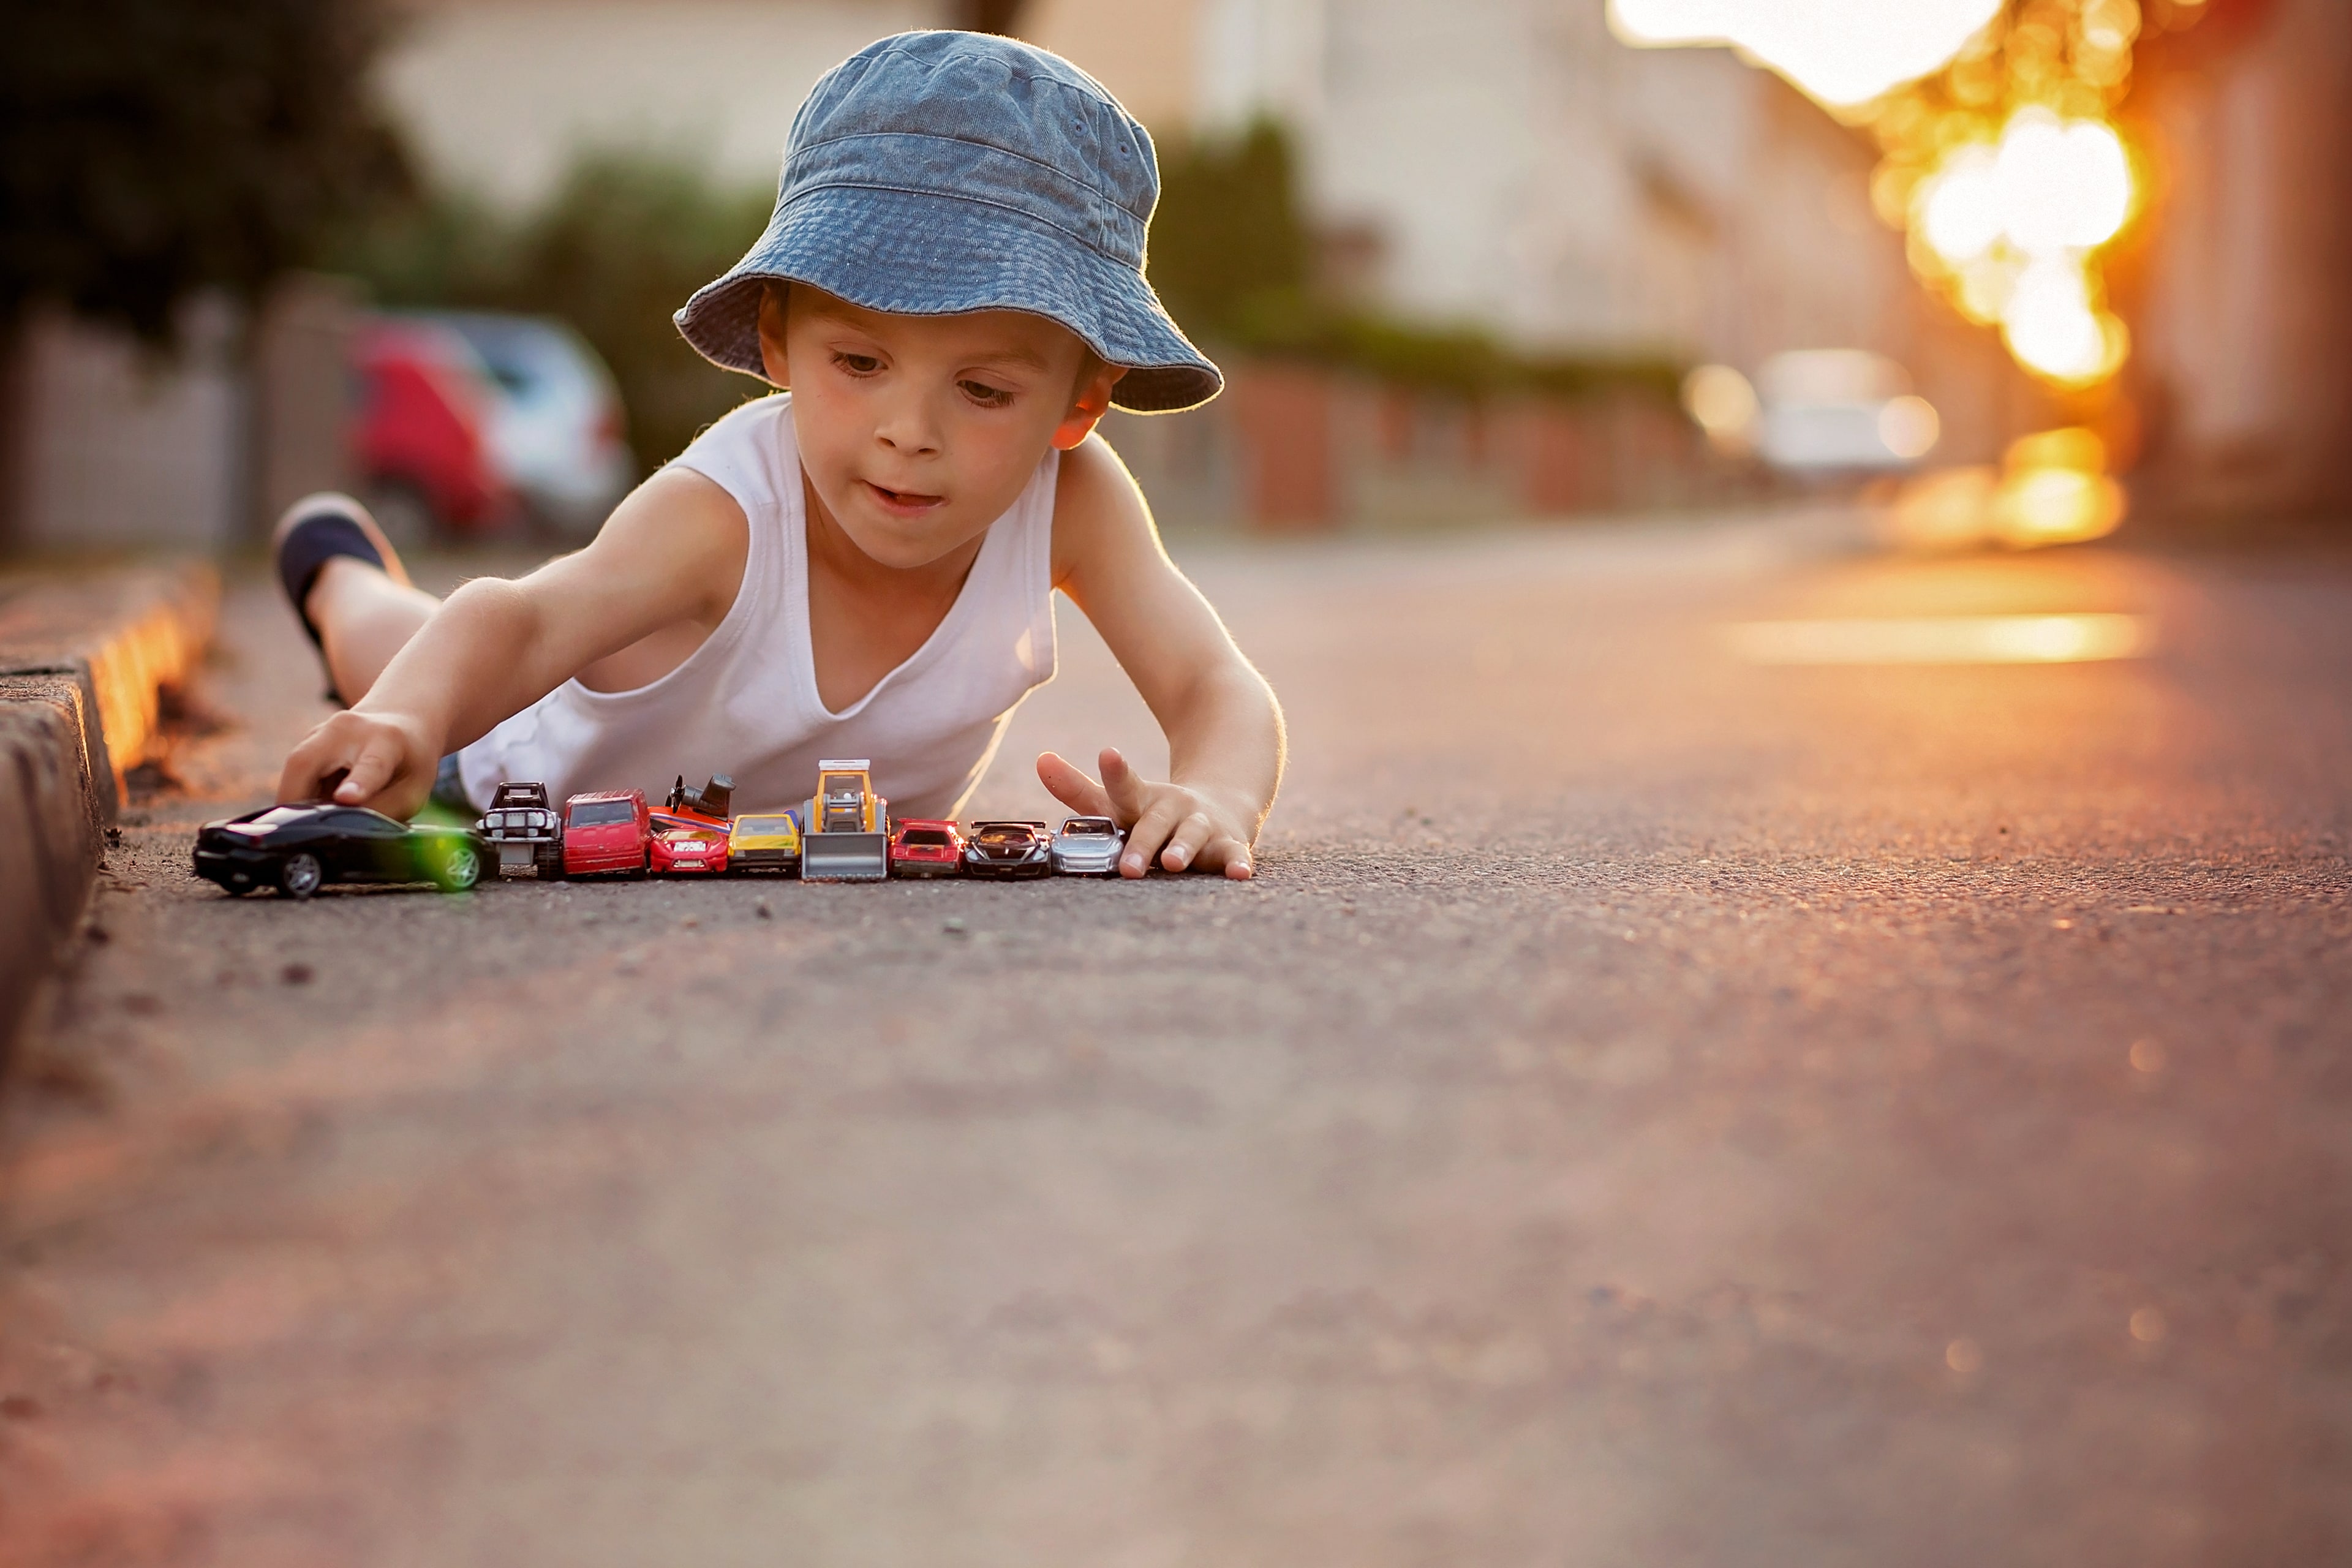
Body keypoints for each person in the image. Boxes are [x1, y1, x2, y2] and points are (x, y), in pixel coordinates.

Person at [274, 31, 1282, 879]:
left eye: (982, 390)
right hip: (511, 773)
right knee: (399, 653)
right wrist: (409, 721)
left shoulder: (1074, 505)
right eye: (859, 361)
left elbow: (1215, 686)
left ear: (1080, 405)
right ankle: (334, 575)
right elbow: (526, 623)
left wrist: (1217, 792)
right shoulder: (725, 512)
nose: (908, 431)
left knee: (424, 652)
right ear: (776, 346)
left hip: (788, 839)